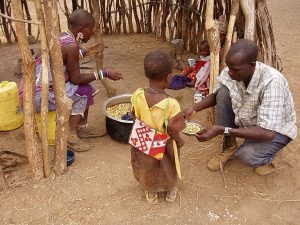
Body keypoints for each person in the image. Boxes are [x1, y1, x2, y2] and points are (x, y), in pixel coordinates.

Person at [185, 39, 297, 176]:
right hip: (251, 120)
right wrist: (195, 108)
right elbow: (216, 95)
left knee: (246, 155)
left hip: (274, 130)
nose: (229, 72)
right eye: (229, 67)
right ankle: (229, 146)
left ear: (251, 65)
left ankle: (272, 154)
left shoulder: (272, 82)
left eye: (235, 70)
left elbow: (268, 132)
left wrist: (223, 129)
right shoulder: (232, 70)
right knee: (223, 92)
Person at [19, 9, 123, 152]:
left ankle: (81, 128)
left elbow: (62, 57)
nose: (92, 34)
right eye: (91, 31)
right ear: (82, 29)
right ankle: (70, 134)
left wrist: (87, 52)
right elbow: (76, 78)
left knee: (84, 88)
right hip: (38, 96)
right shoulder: (71, 45)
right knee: (84, 90)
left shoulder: (62, 36)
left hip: (30, 89)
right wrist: (104, 73)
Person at [130, 51, 185, 204]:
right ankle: (170, 189)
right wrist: (179, 141)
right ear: (169, 77)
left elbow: (133, 114)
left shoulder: (137, 94)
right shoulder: (171, 104)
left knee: (147, 166)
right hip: (163, 142)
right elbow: (173, 129)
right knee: (168, 166)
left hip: (142, 138)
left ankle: (150, 191)